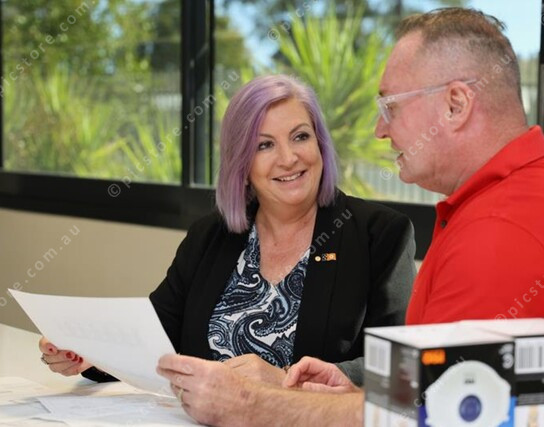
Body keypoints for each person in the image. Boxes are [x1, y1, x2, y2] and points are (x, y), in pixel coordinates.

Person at [157, 8, 544, 427]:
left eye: (391, 107)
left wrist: (253, 403)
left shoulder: (503, 230)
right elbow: (431, 397)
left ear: (456, 105)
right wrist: (353, 387)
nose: (380, 129)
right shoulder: (536, 196)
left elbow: (425, 411)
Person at [38, 75, 416, 387]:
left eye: (300, 136)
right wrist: (89, 352)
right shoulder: (209, 236)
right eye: (264, 145)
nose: (288, 158)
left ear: (320, 143)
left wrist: (284, 380)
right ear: (241, 163)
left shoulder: (380, 235)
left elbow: (400, 368)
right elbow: (154, 336)